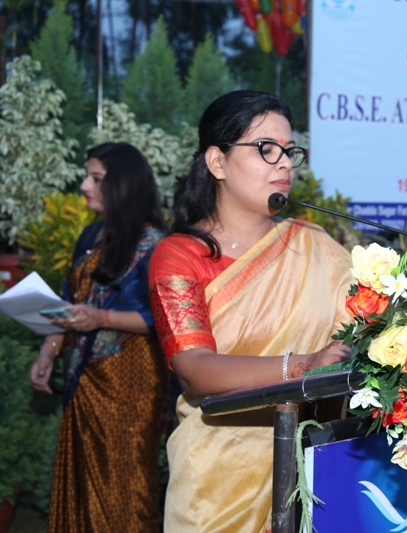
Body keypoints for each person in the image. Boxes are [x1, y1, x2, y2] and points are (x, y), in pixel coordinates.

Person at [147, 90, 353, 532]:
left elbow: (366, 328)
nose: (285, 164)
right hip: (215, 487)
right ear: (217, 162)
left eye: (289, 151)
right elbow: (194, 369)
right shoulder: (180, 255)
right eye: (266, 149)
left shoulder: (315, 247)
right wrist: (302, 366)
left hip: (313, 472)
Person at [29, 142, 169, 532]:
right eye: (87, 176)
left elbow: (162, 317)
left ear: (123, 184)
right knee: (80, 485)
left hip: (130, 383)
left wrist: (101, 318)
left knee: (125, 485)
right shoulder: (91, 234)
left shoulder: (157, 245)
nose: (84, 185)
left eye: (96, 178)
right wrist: (47, 352)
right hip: (83, 377)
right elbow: (68, 303)